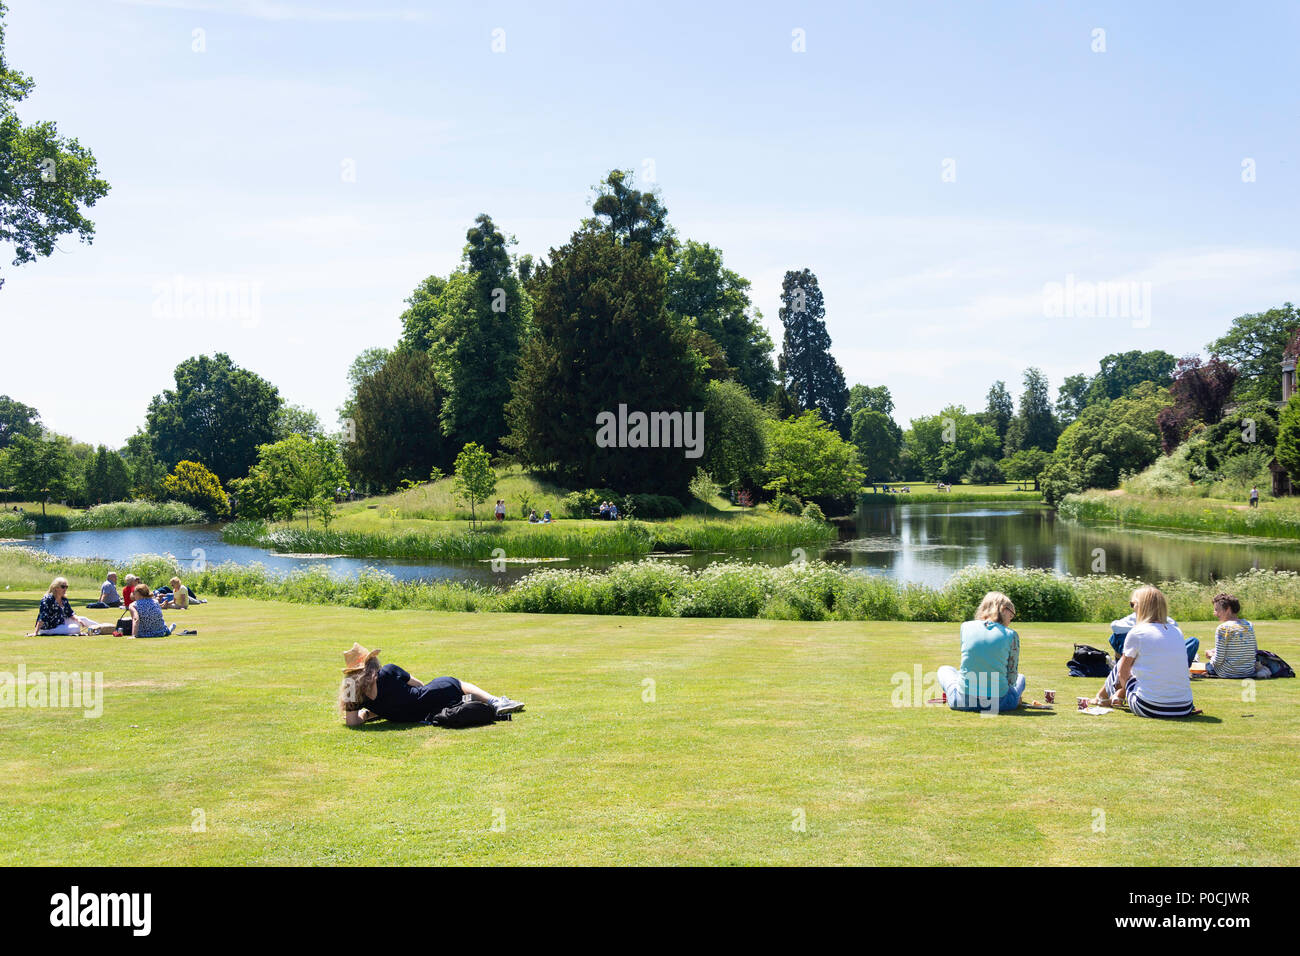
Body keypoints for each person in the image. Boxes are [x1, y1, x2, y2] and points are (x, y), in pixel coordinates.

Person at [337, 643, 524, 727]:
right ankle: (496, 701)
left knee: (454, 695)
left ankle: (490, 702)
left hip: (423, 715)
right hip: (428, 699)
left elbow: (352, 722)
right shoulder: (387, 671)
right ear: (371, 663)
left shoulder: (351, 689)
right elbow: (418, 684)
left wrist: (367, 713)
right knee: (455, 682)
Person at [1095, 586, 1195, 718]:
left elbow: (1122, 673)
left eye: (1133, 604)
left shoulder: (1137, 632)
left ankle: (1102, 698)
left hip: (1149, 707)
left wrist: (1123, 686)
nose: (1132, 608)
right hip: (1184, 706)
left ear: (1141, 607)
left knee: (1122, 665)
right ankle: (1108, 696)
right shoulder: (1177, 631)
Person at [936, 591, 1026, 713]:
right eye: (1011, 616)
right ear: (1003, 610)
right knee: (1021, 678)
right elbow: (1012, 679)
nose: (1010, 621)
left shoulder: (966, 627)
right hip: (1000, 703)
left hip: (962, 701)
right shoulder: (1011, 635)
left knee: (945, 670)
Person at [1109, 601, 1198, 665]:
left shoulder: (1167, 620)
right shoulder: (1133, 618)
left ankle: (1122, 662)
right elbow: (1115, 626)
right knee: (1116, 636)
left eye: (1133, 605)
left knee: (1193, 641)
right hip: (1154, 654)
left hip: (1160, 652)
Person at [1205, 592, 1257, 679]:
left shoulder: (1223, 628)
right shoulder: (1249, 625)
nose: (1214, 613)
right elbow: (1254, 650)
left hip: (1228, 672)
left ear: (1228, 609)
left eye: (1217, 610)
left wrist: (1211, 656)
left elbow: (1218, 660)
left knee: (1208, 666)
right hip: (1248, 671)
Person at [33, 578, 102, 635]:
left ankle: (103, 628)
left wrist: (78, 620)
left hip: (60, 622)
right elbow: (43, 617)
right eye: (63, 587)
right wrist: (36, 632)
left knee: (83, 619)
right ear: (56, 588)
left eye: (66, 587)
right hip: (49, 628)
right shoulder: (48, 599)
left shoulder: (64, 599)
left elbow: (70, 613)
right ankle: (96, 630)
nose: (65, 589)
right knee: (75, 628)